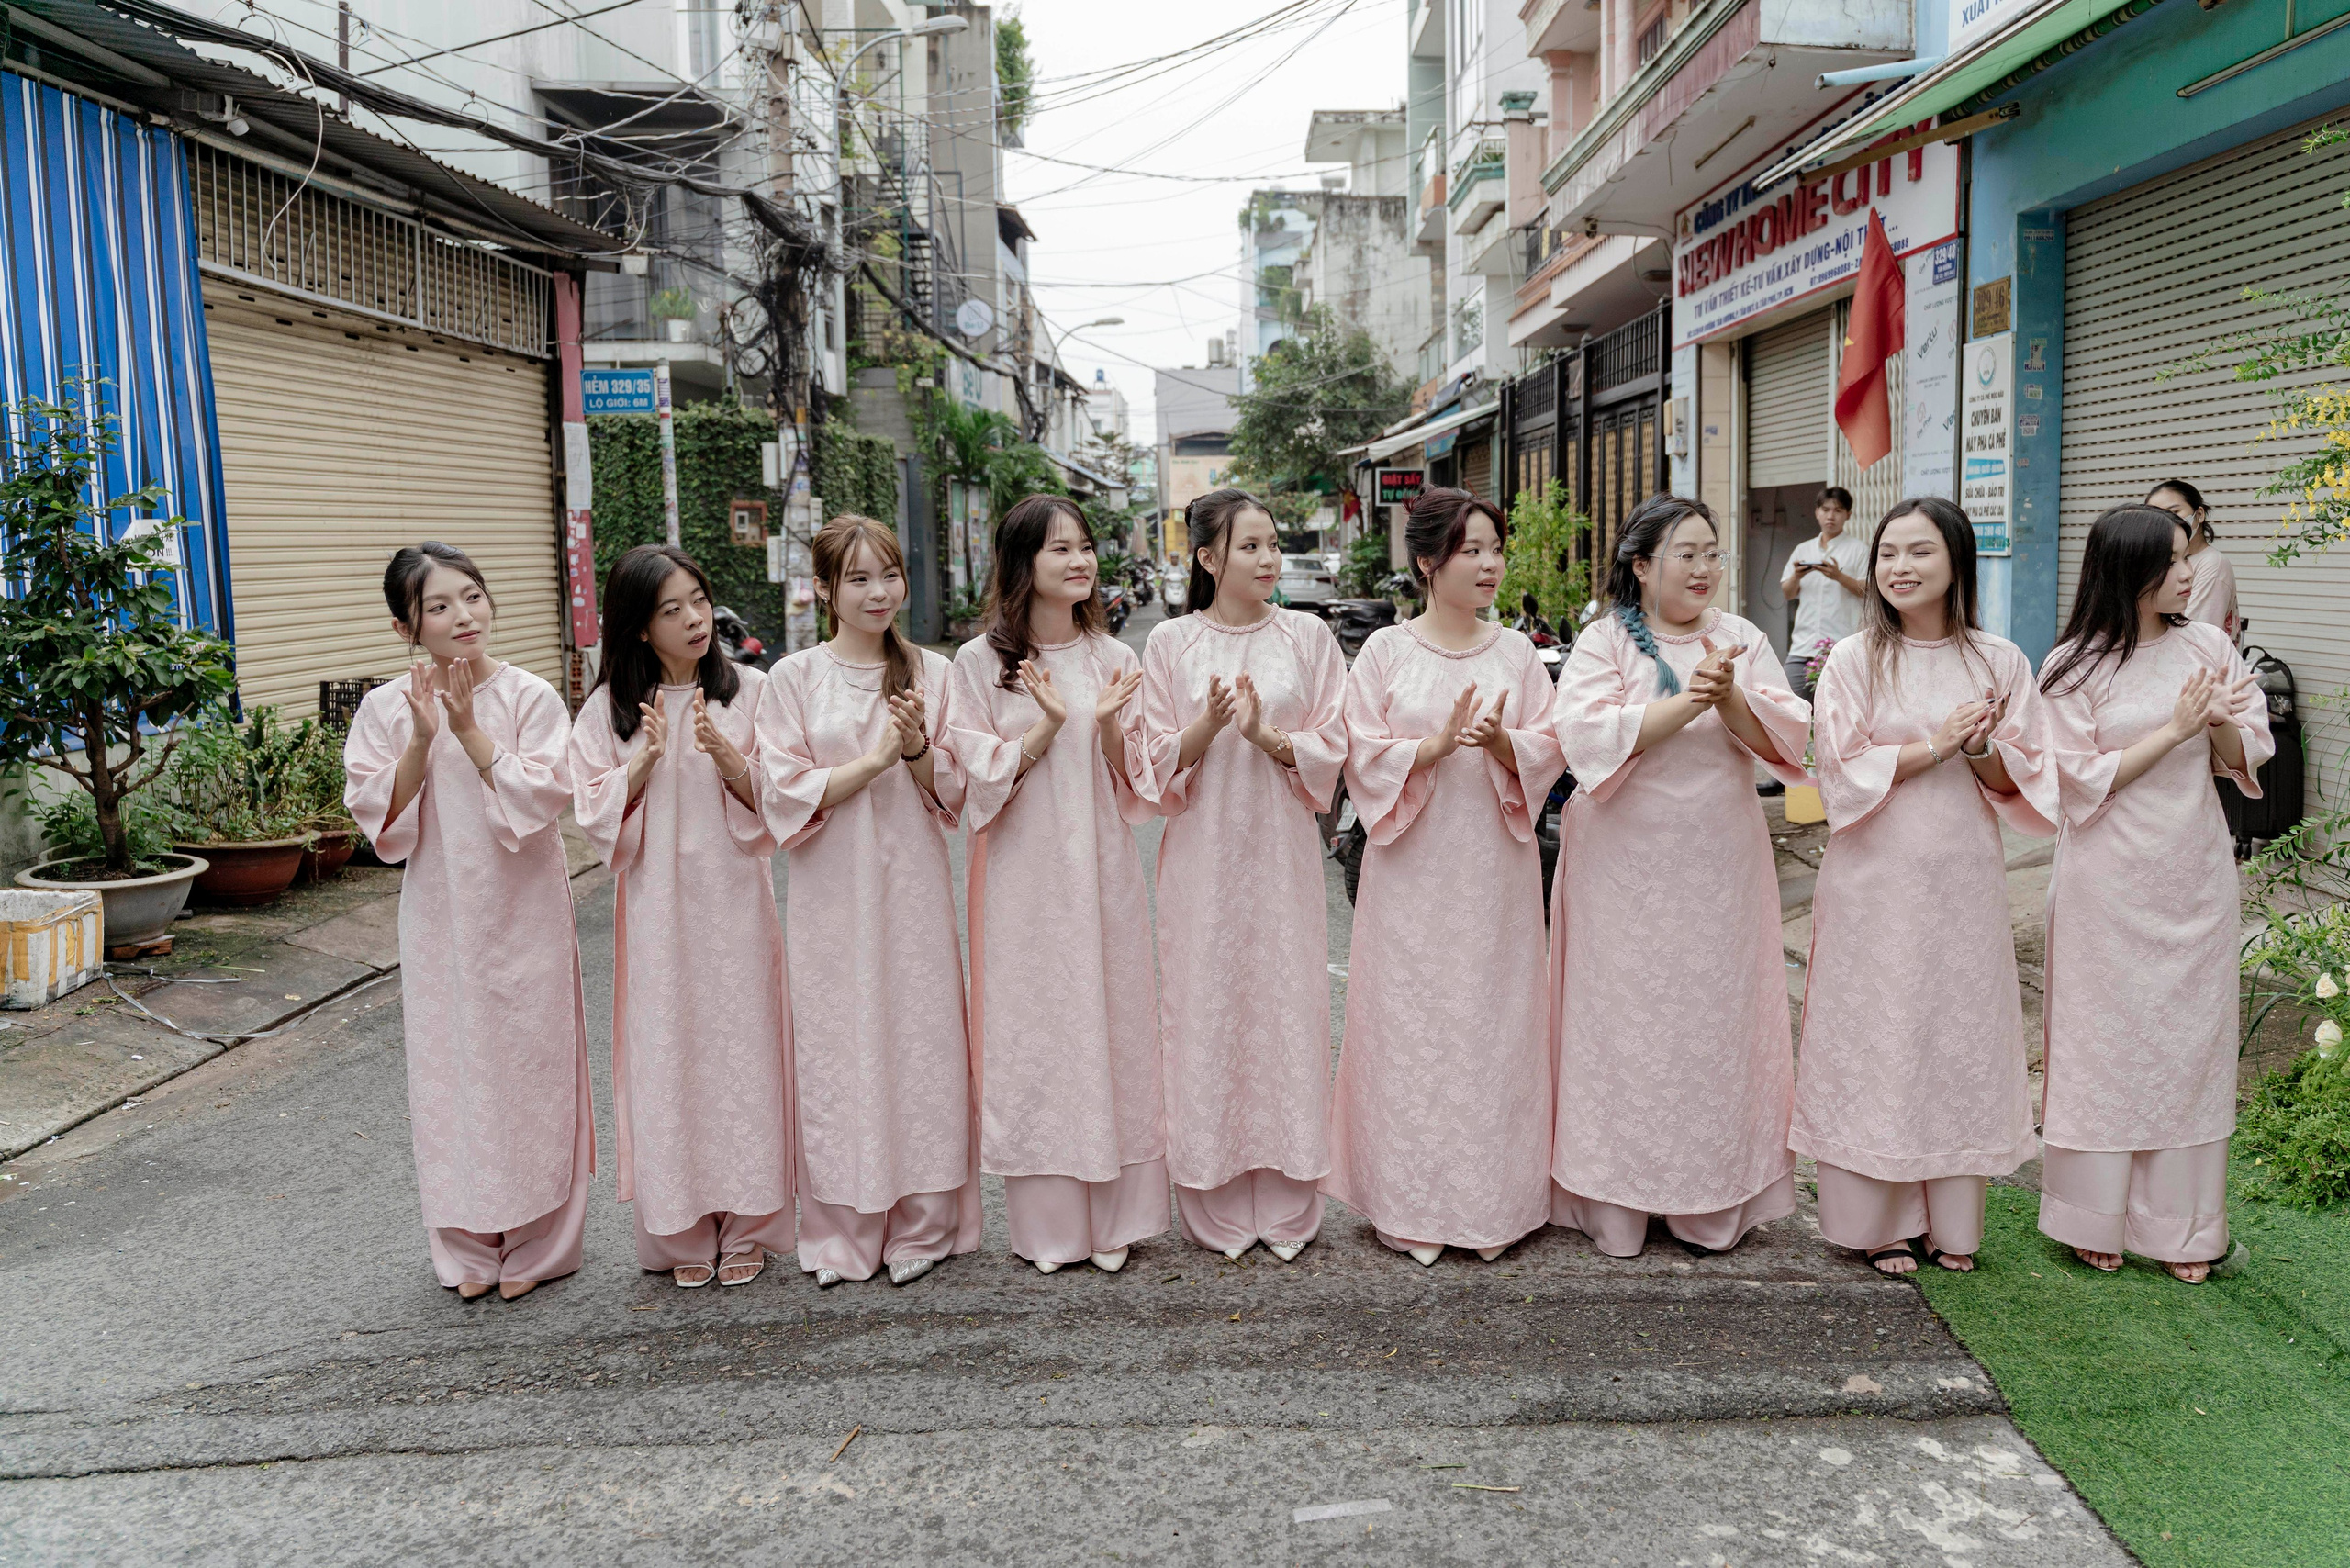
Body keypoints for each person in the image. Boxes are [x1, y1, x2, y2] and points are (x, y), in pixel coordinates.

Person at [1793, 498, 2061, 1275]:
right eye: (1888, 553)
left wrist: (1977, 751)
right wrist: (1936, 747)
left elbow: (2025, 778)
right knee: (1878, 1036)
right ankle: (1877, 1223)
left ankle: (1952, 1225)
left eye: (1920, 552)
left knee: (1954, 1036)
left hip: (1962, 881)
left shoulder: (2000, 661)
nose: (1899, 568)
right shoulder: (1853, 659)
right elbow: (1838, 771)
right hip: (1874, 882)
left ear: (1957, 562)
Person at [1549, 495, 1812, 1258]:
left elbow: (1783, 740)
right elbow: (1584, 739)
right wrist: (1692, 699)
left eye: (1712, 553)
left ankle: (1710, 1198)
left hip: (1718, 867)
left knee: (1712, 1023)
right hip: (1621, 872)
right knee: (1623, 1026)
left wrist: (1728, 696)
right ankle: (1618, 1201)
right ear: (1641, 565)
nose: (1704, 568)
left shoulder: (1742, 638)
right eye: (1686, 553)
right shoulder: (1605, 640)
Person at [343, 543, 590, 1302]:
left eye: (473, 596)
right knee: (450, 1071)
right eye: (439, 606)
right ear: (406, 627)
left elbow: (544, 798)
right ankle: (467, 1243)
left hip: (525, 912)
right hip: (441, 917)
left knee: (532, 1066)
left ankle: (540, 1241)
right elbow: (380, 822)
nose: (463, 616)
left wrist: (472, 731)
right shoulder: (386, 709)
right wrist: (424, 737)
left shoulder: (530, 697)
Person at [1326, 487, 1566, 1267]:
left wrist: (1501, 744)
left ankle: (1495, 1202)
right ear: (1429, 561)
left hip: (1494, 872)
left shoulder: (1518, 653)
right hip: (1412, 872)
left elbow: (1550, 745)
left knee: (1495, 1026)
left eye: (1496, 549)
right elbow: (1360, 754)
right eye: (1472, 550)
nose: (1490, 565)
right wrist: (1430, 749)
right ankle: (1410, 1202)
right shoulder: (1385, 652)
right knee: (1412, 1027)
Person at [2037, 504, 2270, 1283]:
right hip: (2105, 883)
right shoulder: (2072, 666)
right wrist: (2173, 729)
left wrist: (2216, 723)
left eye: (2188, 556)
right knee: (2102, 1045)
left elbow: (2243, 753)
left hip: (2194, 874)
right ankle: (2091, 1215)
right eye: (2171, 560)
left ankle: (2182, 1225)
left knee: (2188, 1048)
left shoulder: (2209, 645)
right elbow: (2076, 781)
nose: (2187, 572)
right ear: (2127, 568)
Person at [756, 515, 979, 1288]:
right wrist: (877, 759)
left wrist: (914, 751)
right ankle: (843, 1229)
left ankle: (924, 1223)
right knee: (836, 1048)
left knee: (920, 1044)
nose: (879, 592)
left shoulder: (934, 673)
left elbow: (957, 791)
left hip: (912, 891)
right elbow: (781, 792)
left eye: (889, 574)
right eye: (857, 578)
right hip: (828, 896)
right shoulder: (793, 678)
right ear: (824, 588)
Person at [945, 494, 1164, 1274]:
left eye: (1085, 547)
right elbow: (969, 783)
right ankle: (1048, 1227)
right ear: (1022, 563)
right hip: (1022, 878)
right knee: (1036, 1034)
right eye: (1059, 549)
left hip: (1103, 872)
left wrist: (1103, 726)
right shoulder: (979, 665)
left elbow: (1139, 782)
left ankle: (1116, 1219)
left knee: (1111, 1025)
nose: (1080, 561)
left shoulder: (1115, 659)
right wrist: (1042, 730)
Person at [570, 544, 793, 1289]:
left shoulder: (752, 691)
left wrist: (729, 761)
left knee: (743, 1054)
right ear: (639, 626)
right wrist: (639, 766)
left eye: (699, 599)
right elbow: (593, 816)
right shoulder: (610, 711)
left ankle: (749, 1223)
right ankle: (680, 1227)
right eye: (673, 609)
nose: (696, 618)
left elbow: (782, 801)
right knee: (668, 1057)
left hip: (735, 906)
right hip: (657, 915)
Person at [1135, 488, 1348, 1263]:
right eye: (1249, 546)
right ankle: (1214, 1193)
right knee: (1208, 1013)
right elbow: (1151, 761)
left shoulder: (1308, 636)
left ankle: (1290, 1198)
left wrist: (1268, 736)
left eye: (1272, 543)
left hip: (1283, 859)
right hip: (1203, 862)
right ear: (1207, 557)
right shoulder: (1171, 643)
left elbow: (1335, 744)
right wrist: (1210, 726)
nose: (1268, 559)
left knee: (1287, 1011)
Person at [1780, 486, 1870, 699]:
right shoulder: (1803, 549)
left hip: (1841, 646)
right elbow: (1788, 593)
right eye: (1826, 510)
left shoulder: (1859, 549)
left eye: (1838, 511)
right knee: (1789, 704)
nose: (1831, 516)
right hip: (1803, 646)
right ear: (1817, 512)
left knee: (1835, 707)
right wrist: (1796, 576)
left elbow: (1867, 591)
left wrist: (1838, 576)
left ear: (1848, 515)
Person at [2145, 478, 2237, 642]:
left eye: (2173, 512)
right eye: (2156, 516)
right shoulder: (2152, 561)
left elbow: (2197, 637)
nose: (2165, 522)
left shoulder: (2212, 564)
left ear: (2199, 514)